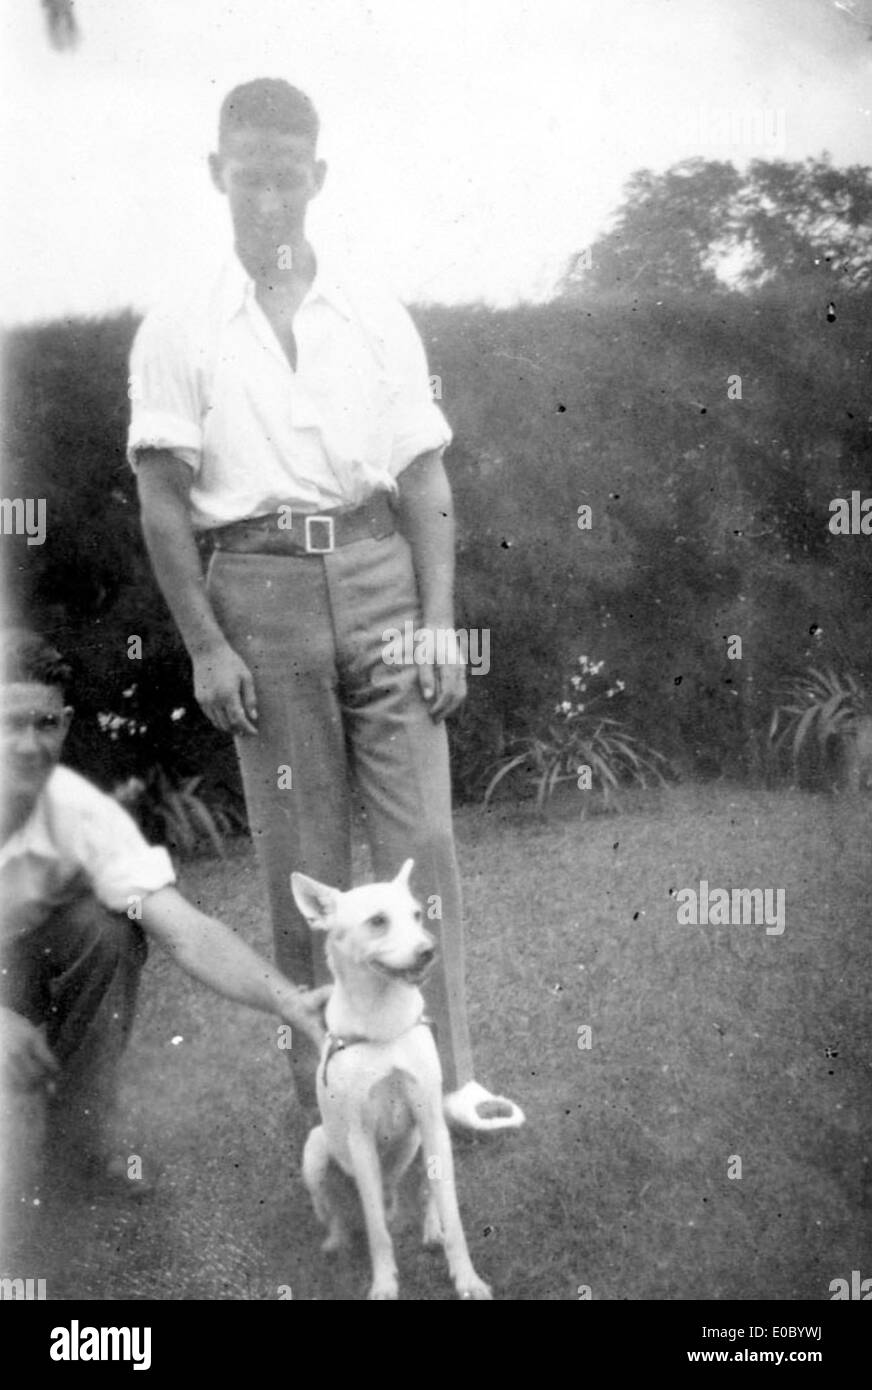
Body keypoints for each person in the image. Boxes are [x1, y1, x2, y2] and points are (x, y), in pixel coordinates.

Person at [128, 78, 524, 1131]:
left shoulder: (374, 312)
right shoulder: (178, 323)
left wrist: (438, 622)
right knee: (303, 865)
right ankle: (333, 1088)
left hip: (376, 574)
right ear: (219, 175)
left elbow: (426, 482)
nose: (268, 197)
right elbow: (164, 506)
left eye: (287, 176)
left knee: (421, 843)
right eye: (247, 176)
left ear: (318, 177)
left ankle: (446, 1081)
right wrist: (207, 646)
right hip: (257, 592)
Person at [0, 628, 329, 1197]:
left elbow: (186, 933)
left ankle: (74, 1153)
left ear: (68, 722)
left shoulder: (81, 814)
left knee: (107, 932)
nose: (30, 745)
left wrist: (291, 1002)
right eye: (10, 723)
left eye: (45, 723)